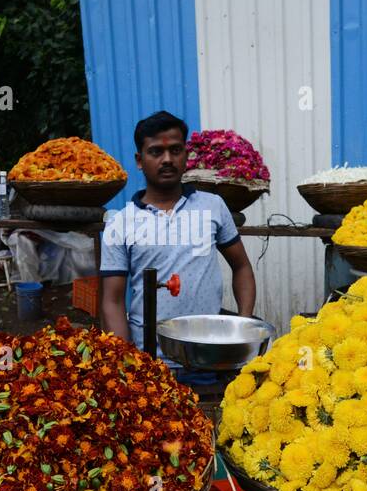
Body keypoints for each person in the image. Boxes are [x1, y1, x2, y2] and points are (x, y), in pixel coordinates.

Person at [99, 111, 256, 360]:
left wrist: (244, 325)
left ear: (186, 155)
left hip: (210, 354)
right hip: (150, 359)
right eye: (156, 152)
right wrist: (128, 361)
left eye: (175, 150)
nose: (167, 159)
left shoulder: (212, 206)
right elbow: (112, 301)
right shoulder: (121, 223)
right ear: (140, 160)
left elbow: (242, 266)